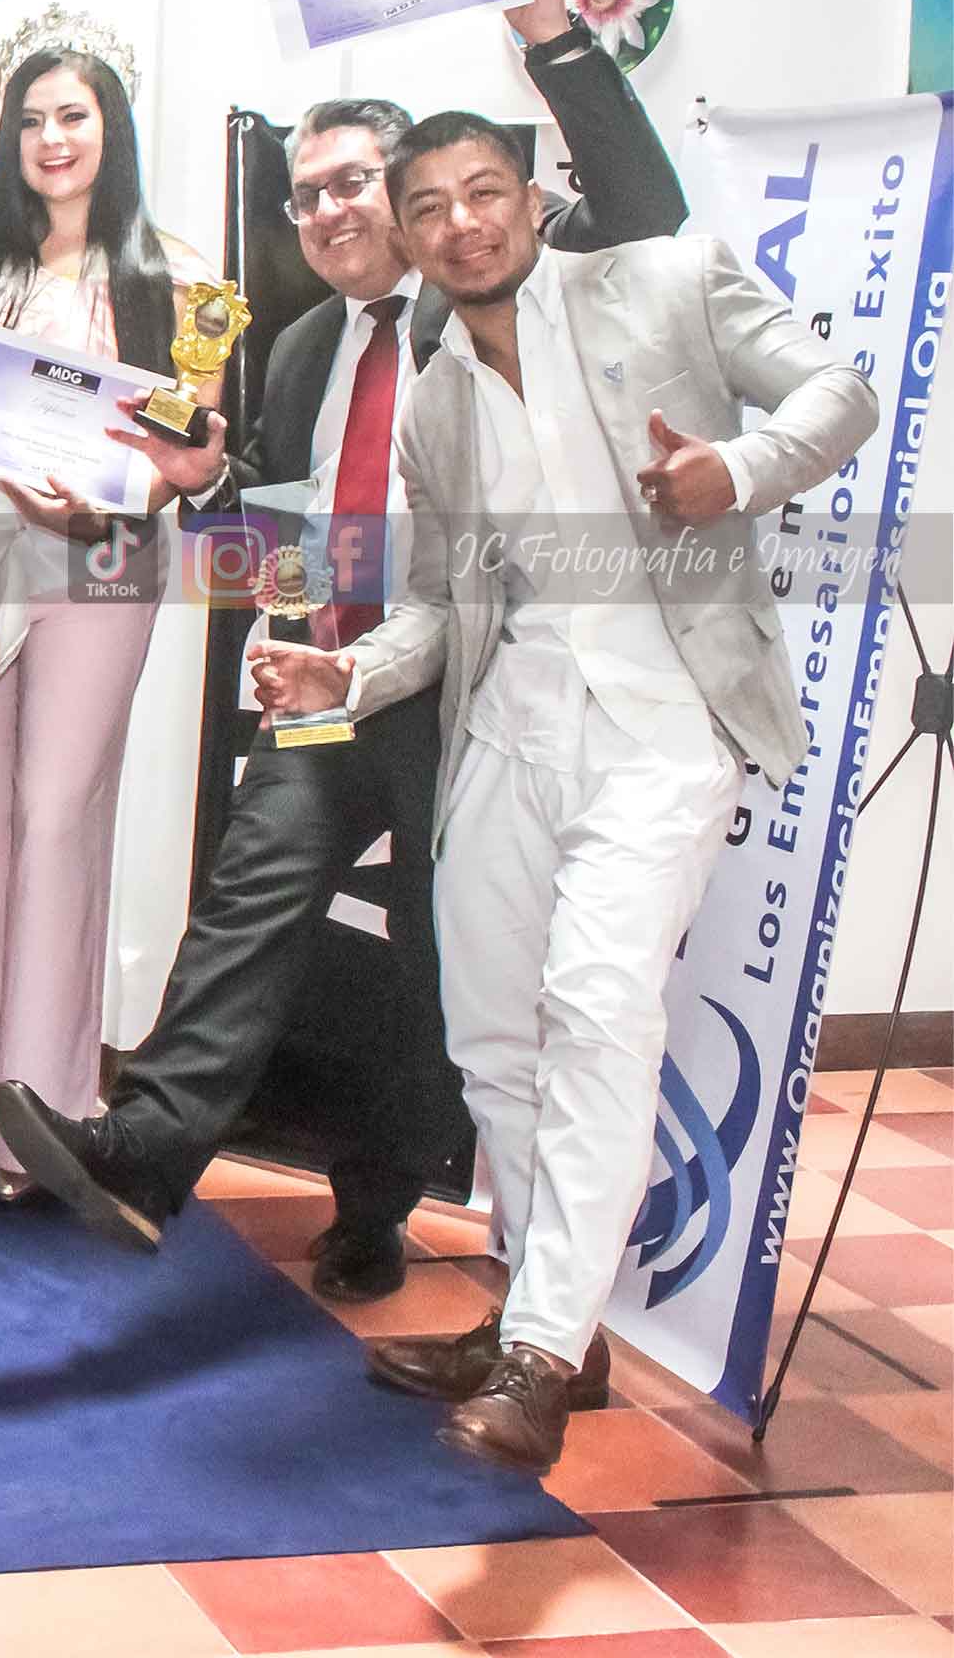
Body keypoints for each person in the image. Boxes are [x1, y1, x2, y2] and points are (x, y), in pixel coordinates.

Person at [0, 0, 691, 1301]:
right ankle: (143, 1151)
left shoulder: (501, 294)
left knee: (441, 966)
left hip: (471, 695)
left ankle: (379, 1209)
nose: (324, 213)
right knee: (247, 896)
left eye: (352, 184)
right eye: (305, 195)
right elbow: (284, 533)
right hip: (332, 686)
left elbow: (643, 207)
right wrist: (205, 493)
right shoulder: (306, 344)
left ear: (416, 193)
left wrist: (555, 44)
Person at [230, 114, 873, 1473]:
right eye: (430, 207)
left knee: (593, 1008)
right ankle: (556, 1321)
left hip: (665, 724)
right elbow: (433, 609)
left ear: (531, 201)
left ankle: (534, 1354)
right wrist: (346, 676)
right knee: (489, 1039)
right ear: (406, 238)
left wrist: (736, 470)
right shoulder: (438, 402)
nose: (461, 223)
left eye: (484, 193)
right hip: (512, 732)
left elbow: (839, 392)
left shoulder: (666, 282)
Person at [0, 8, 227, 1198]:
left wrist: (130, 492)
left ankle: (42, 1115)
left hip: (102, 561)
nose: (54, 139)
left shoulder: (177, 276)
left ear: (115, 128)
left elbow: (182, 448)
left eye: (75, 116)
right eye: (33, 119)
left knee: (57, 818)